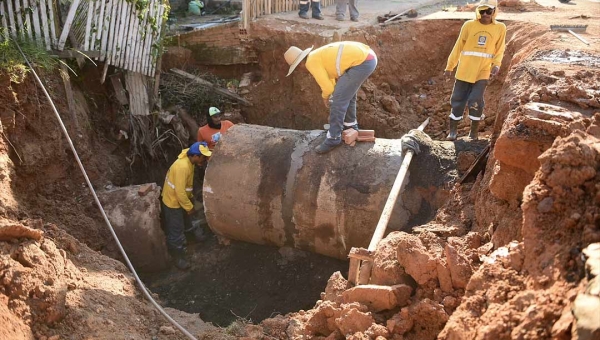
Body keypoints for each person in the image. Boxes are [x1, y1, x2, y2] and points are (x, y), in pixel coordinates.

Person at [284, 41, 377, 154]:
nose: (300, 71)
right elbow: (331, 79)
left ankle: (333, 138)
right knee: (347, 95)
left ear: (300, 64)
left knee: (338, 101)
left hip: (362, 62)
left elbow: (328, 88)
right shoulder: (317, 55)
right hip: (367, 58)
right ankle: (350, 126)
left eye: (297, 68)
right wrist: (331, 94)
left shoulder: (311, 62)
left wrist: (326, 97)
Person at [444, 0, 506, 141]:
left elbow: (500, 49)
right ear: (478, 11)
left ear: (494, 11)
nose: (485, 14)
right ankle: (453, 132)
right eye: (482, 11)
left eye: (488, 11)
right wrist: (449, 66)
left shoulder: (500, 28)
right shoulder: (469, 25)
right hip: (464, 70)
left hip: (483, 71)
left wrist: (496, 64)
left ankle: (473, 133)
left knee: (476, 99)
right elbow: (458, 46)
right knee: (458, 99)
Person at [161, 142, 211, 270]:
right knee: (175, 230)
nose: (204, 159)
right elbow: (179, 192)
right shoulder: (182, 167)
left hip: (182, 199)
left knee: (188, 221)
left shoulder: (190, 161)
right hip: (173, 203)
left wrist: (191, 198)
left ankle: (191, 238)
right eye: (202, 157)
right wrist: (189, 207)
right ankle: (178, 258)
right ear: (195, 156)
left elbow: (185, 186)